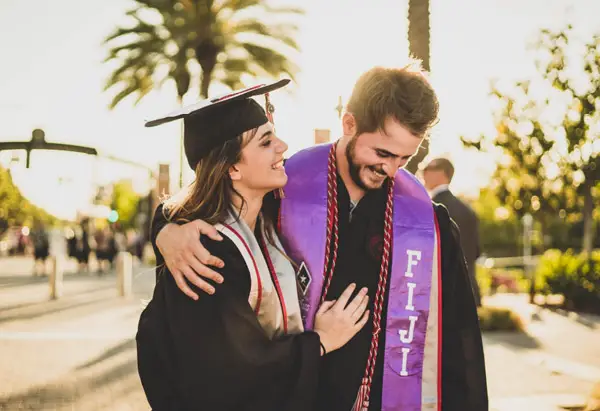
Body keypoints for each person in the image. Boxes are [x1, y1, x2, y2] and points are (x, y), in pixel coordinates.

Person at [153, 64, 489, 410]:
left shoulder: (425, 221)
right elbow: (206, 199)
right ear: (349, 124)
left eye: (405, 158)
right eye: (382, 153)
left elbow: (457, 342)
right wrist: (165, 229)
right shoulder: (284, 189)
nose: (390, 170)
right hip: (293, 396)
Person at [136, 80, 370, 411]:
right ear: (232, 167)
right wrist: (319, 342)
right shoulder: (208, 254)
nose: (283, 146)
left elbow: (172, 210)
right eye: (266, 142)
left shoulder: (269, 218)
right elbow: (231, 374)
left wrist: (163, 228)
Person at [422, 157, 482, 307]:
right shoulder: (468, 210)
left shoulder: (430, 209)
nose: (423, 172)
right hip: (467, 292)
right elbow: (476, 251)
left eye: (428, 168)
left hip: (440, 296)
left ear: (442, 173)